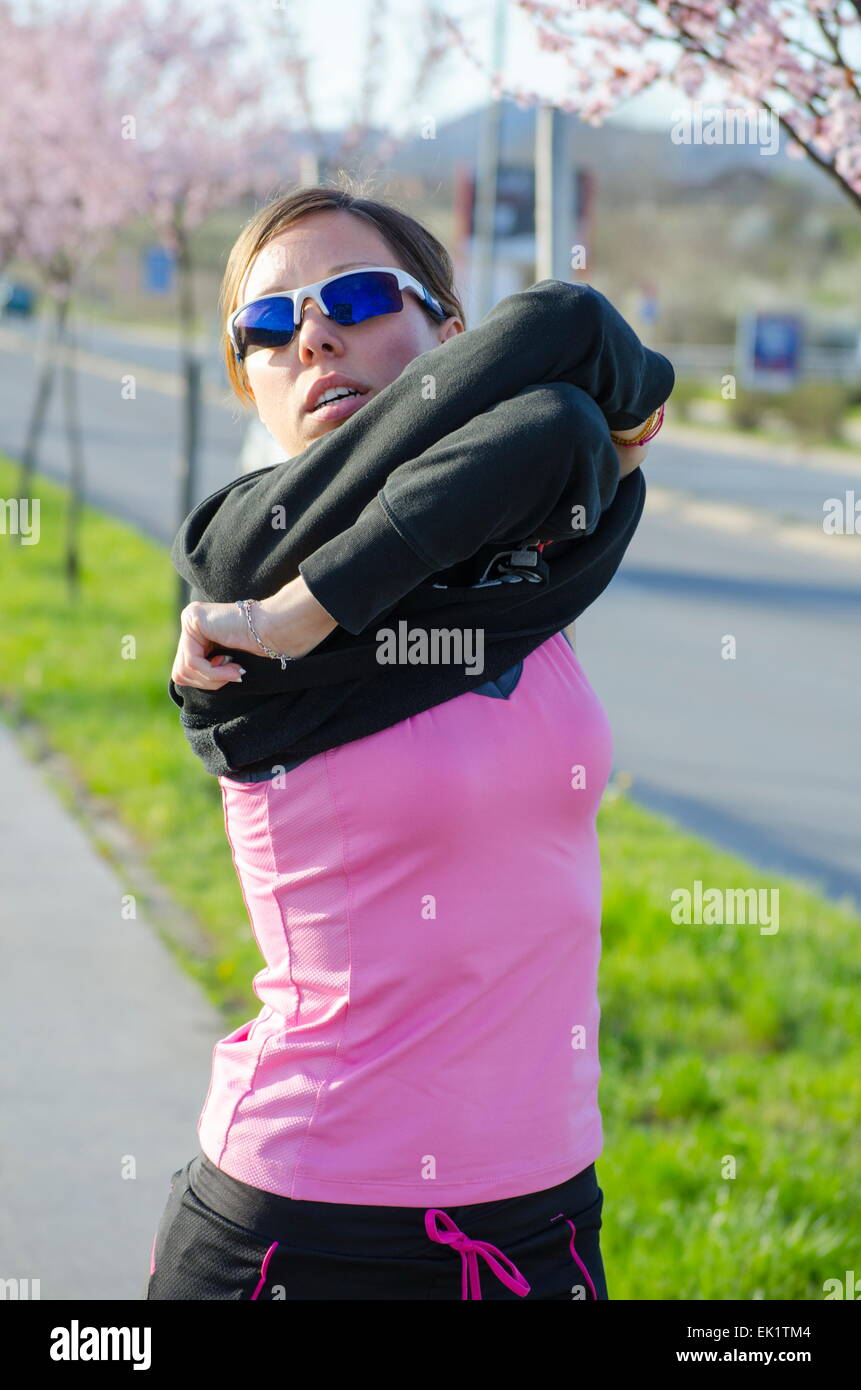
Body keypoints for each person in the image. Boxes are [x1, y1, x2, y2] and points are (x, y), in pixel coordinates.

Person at [146, 183, 672, 1301]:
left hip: (545, 1215)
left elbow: (576, 404)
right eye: (270, 327)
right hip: (306, 1232)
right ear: (251, 384)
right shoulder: (243, 589)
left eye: (354, 297)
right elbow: (574, 362)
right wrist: (303, 610)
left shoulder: (520, 567)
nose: (315, 334)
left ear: (451, 337)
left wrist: (611, 421)